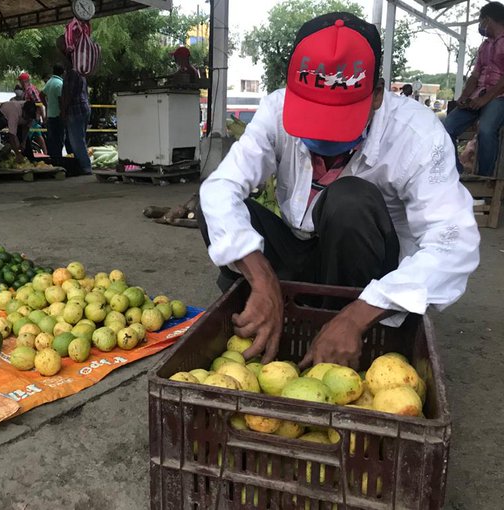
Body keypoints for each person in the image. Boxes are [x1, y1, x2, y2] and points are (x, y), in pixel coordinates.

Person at [198, 12, 480, 369]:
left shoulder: (417, 136)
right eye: (312, 116)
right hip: (301, 252)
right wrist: (261, 275)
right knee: (214, 208)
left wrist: (357, 315)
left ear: (377, 94)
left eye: (338, 120)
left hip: (365, 272)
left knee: (350, 200)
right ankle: (271, 306)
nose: (322, 137)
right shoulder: (275, 109)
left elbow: (454, 242)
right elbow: (222, 188)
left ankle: (340, 333)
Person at [444, 2, 504, 176]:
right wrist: (463, 96)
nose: (480, 25)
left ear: (487, 20)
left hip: (499, 97)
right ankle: (456, 172)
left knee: (486, 130)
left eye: (480, 21)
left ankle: (484, 179)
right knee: (446, 128)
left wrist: (485, 100)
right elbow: (475, 76)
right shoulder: (484, 46)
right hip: (478, 96)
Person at [58, 37, 92, 175]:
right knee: (80, 139)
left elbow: (69, 94)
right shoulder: (81, 71)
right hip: (83, 107)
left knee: (76, 140)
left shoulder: (72, 72)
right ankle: (82, 165)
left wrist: (63, 111)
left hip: (75, 109)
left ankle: (85, 166)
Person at [41, 64, 66, 158]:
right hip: (58, 115)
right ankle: (58, 159)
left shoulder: (49, 82)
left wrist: (46, 105)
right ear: (62, 72)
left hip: (50, 115)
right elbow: (61, 100)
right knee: (59, 139)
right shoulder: (60, 84)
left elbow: (41, 94)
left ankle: (53, 159)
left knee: (51, 139)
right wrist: (63, 113)